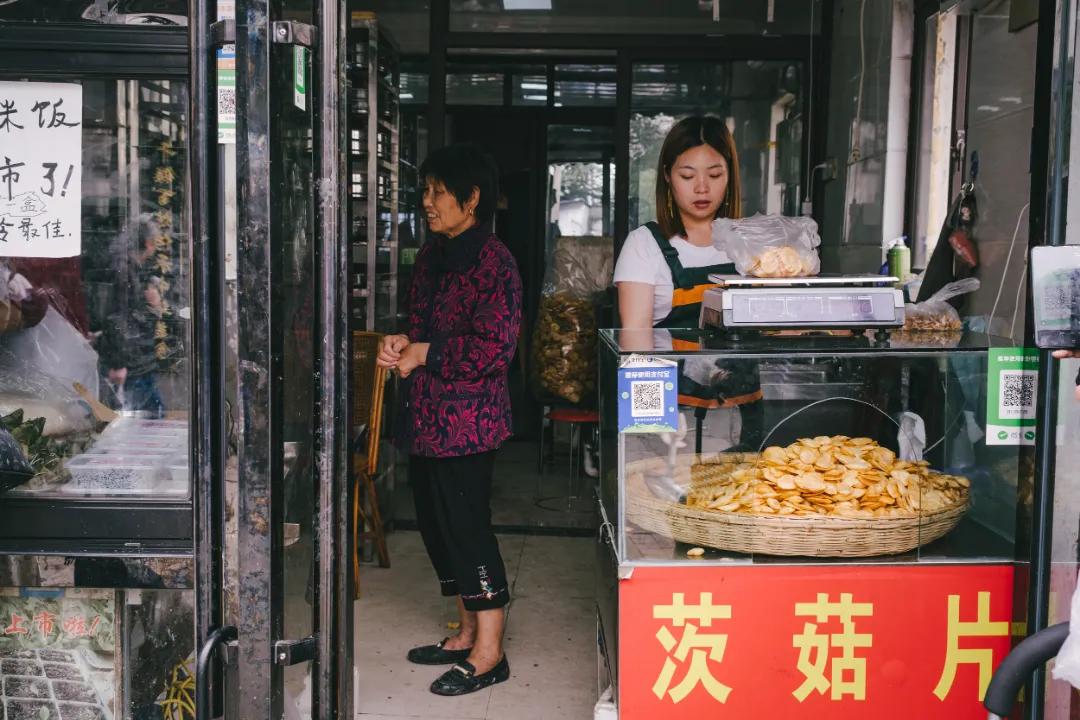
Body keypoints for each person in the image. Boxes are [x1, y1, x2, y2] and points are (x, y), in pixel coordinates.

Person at [376, 143, 522, 697]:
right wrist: (400, 343)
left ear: (472, 198)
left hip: (469, 423)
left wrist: (426, 354)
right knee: (438, 527)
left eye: (438, 191)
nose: (428, 201)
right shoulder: (432, 256)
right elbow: (419, 328)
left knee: (468, 529)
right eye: (426, 190)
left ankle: (491, 652)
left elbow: (494, 350)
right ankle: (465, 633)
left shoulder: (495, 263)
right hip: (426, 418)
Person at [613, 115, 764, 450]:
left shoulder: (750, 243)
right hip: (676, 421)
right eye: (687, 175)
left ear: (730, 176)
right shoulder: (645, 245)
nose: (701, 188)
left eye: (714, 174)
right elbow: (636, 341)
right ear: (667, 176)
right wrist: (649, 425)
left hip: (744, 415)